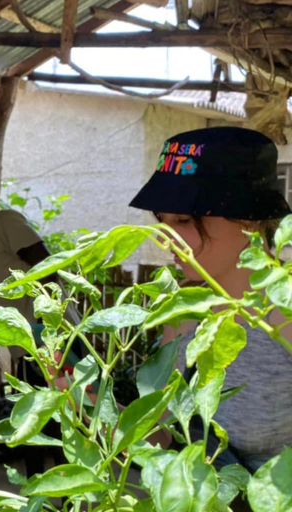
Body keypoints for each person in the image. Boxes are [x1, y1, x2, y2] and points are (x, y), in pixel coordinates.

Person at [129, 126, 292, 473]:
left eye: (184, 219)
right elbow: (164, 431)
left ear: (250, 217)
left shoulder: (285, 310)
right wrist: (86, 406)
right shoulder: (184, 308)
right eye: (162, 220)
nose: (166, 239)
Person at [0, 190, 81, 475]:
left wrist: (44, 331)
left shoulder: (1, 223)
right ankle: (39, 493)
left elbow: (48, 267)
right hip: (27, 348)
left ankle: (71, 502)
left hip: (53, 340)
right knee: (34, 425)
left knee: (66, 425)